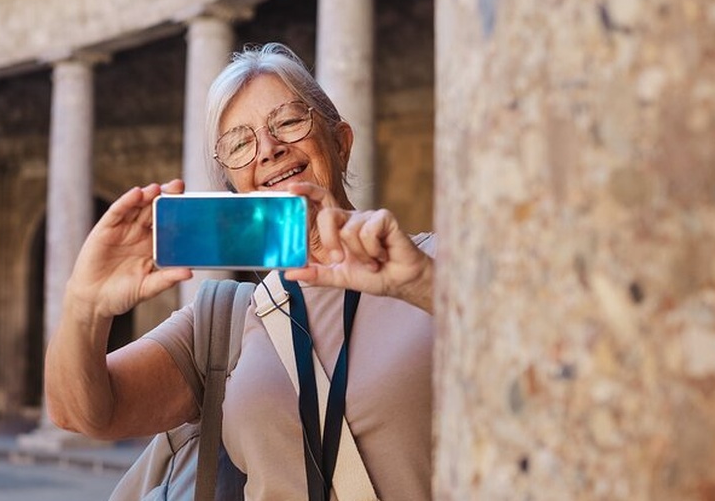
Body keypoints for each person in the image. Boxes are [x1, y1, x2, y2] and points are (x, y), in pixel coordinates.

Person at [44, 42, 436, 500]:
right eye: (239, 144)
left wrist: (424, 285)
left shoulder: (435, 264)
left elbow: (531, 353)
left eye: (289, 122)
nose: (267, 150)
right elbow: (85, 413)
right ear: (232, 183)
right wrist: (86, 305)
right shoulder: (224, 323)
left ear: (341, 142)